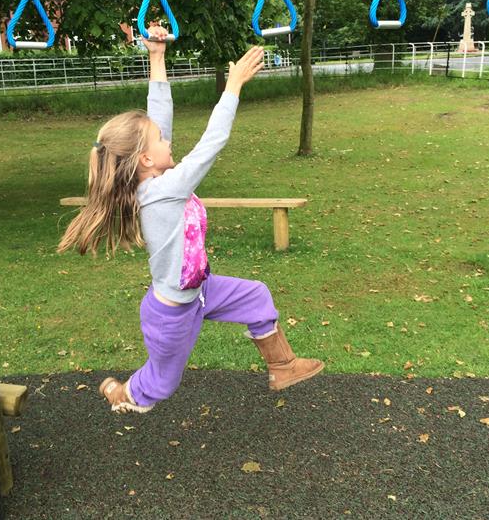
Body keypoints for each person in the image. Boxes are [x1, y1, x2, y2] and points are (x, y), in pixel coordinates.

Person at [58, 23, 324, 414]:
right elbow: (211, 145)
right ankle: (123, 392)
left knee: (257, 296)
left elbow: (158, 118)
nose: (168, 140)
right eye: (161, 141)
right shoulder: (165, 190)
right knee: (161, 386)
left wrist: (157, 56)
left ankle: (281, 366)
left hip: (201, 290)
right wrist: (233, 87)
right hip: (172, 311)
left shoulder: (156, 177)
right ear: (147, 159)